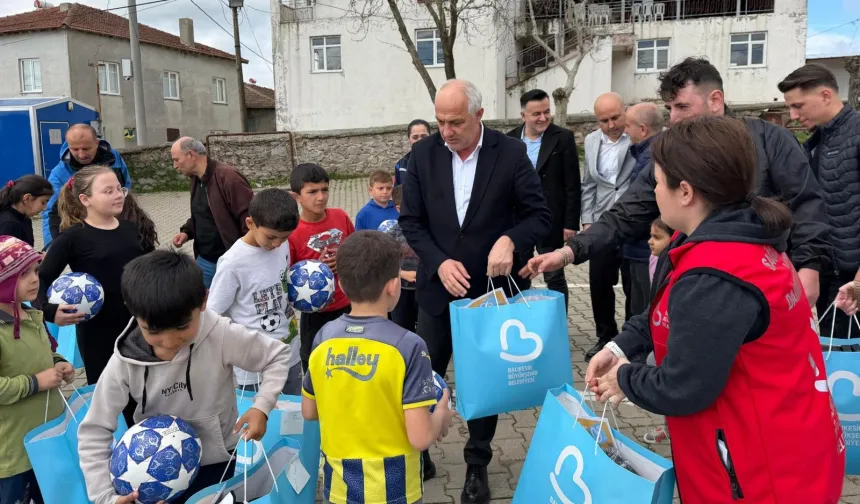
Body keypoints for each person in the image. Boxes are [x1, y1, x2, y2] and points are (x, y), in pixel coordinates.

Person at [586, 116, 845, 503]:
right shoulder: (742, 236)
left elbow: (683, 386)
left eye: (657, 182)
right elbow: (673, 310)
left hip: (757, 469)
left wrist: (626, 379)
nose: (654, 192)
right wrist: (621, 346)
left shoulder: (715, 272)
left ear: (685, 192)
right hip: (788, 440)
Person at [523, 57, 831, 323]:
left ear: (715, 100)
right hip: (693, 288)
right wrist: (569, 251)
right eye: (670, 107)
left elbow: (805, 205)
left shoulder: (770, 140)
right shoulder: (670, 151)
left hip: (766, 287)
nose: (673, 118)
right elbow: (627, 212)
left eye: (683, 106)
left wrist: (809, 268)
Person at [399, 79, 551, 504]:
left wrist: (511, 240)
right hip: (437, 290)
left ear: (479, 116)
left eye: (456, 122)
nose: (446, 131)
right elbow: (411, 221)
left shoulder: (512, 153)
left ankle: (476, 465)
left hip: (493, 295)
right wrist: (437, 261)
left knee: (483, 383)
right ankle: (420, 449)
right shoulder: (423, 154)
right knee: (423, 378)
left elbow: (538, 216)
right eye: (440, 121)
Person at [77, 250, 291, 504]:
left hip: (217, 461)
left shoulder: (221, 334)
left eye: (181, 328)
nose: (169, 342)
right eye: (154, 330)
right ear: (134, 313)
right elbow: (94, 429)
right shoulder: (124, 361)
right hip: (153, 478)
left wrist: (262, 406)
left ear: (203, 302)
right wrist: (106, 498)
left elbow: (277, 355)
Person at [301, 230, 455, 504]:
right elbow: (420, 437)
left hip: (338, 486)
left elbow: (309, 410)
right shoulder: (409, 346)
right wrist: (441, 412)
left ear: (343, 285)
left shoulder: (323, 337)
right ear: (393, 286)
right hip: (393, 488)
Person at [37, 166, 153, 388]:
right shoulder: (72, 237)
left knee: (143, 391)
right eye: (108, 191)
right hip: (98, 334)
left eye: (120, 189)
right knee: (107, 394)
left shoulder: (131, 229)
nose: (118, 195)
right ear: (85, 199)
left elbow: (150, 271)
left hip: (139, 326)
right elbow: (40, 279)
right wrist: (50, 311)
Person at [778, 63, 860, 338]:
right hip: (830, 276)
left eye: (799, 105)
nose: (793, 115)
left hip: (854, 281)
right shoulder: (816, 143)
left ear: (826, 95)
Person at [0, 236, 74, 504]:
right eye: (23, 274)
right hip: (12, 455)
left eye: (36, 271)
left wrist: (58, 362)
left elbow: (44, 351)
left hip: (47, 441)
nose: (35, 280)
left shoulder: (29, 314)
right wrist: (36, 382)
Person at [208, 188, 302, 394]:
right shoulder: (232, 263)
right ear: (250, 224)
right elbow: (213, 314)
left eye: (284, 238)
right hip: (254, 368)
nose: (277, 244)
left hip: (290, 354)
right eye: (271, 237)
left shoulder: (281, 247)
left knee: (292, 420)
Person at [507, 89, 580, 312]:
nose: (543, 118)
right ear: (523, 116)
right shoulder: (509, 140)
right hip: (519, 221)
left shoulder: (563, 138)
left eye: (547, 112)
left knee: (554, 276)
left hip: (552, 219)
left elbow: (572, 184)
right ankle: (522, 318)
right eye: (536, 114)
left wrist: (570, 223)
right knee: (521, 274)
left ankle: (558, 325)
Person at [579, 93, 637, 359]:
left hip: (635, 222)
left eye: (615, 117)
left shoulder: (638, 136)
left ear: (625, 112)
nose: (611, 125)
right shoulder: (591, 141)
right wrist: (588, 221)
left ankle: (632, 342)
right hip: (602, 224)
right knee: (599, 285)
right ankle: (605, 337)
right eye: (604, 120)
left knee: (634, 287)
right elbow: (589, 184)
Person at [288, 163, 354, 372]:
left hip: (348, 306)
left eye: (325, 189)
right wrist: (315, 271)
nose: (321, 197)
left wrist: (343, 259)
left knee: (351, 362)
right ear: (296, 196)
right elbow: (288, 277)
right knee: (315, 365)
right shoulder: (292, 232)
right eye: (312, 192)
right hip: (315, 314)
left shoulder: (340, 216)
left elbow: (357, 250)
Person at [170, 137, 254, 288]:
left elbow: (250, 221)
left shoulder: (229, 178)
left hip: (231, 262)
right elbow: (204, 214)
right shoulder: (196, 179)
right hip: (205, 261)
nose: (174, 166)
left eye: (176, 160)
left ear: (191, 155)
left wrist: (244, 258)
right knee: (205, 309)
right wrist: (187, 232)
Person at [43, 124, 131, 247]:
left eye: (86, 149)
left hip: (119, 228)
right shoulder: (59, 174)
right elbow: (50, 211)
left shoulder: (114, 158)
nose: (81, 154)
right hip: (85, 234)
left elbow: (126, 187)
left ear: (97, 142)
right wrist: (51, 245)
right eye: (75, 149)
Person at [622, 103, 665, 317]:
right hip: (641, 247)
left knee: (642, 312)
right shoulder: (647, 153)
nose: (625, 130)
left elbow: (639, 208)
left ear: (643, 129)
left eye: (628, 125)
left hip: (643, 250)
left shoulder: (650, 158)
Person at [390, 185, 419, 332]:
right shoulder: (392, 234)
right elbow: (383, 265)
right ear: (398, 208)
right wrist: (402, 274)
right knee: (402, 330)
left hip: (423, 291)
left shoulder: (428, 230)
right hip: (401, 292)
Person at [0, 175, 53, 246]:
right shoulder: (9, 224)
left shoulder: (25, 219)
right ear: (27, 198)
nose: (45, 208)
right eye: (43, 202)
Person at [395, 119, 431, 186]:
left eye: (424, 136)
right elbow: (398, 193)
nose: (420, 140)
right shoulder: (400, 165)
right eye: (415, 137)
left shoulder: (441, 160)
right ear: (409, 139)